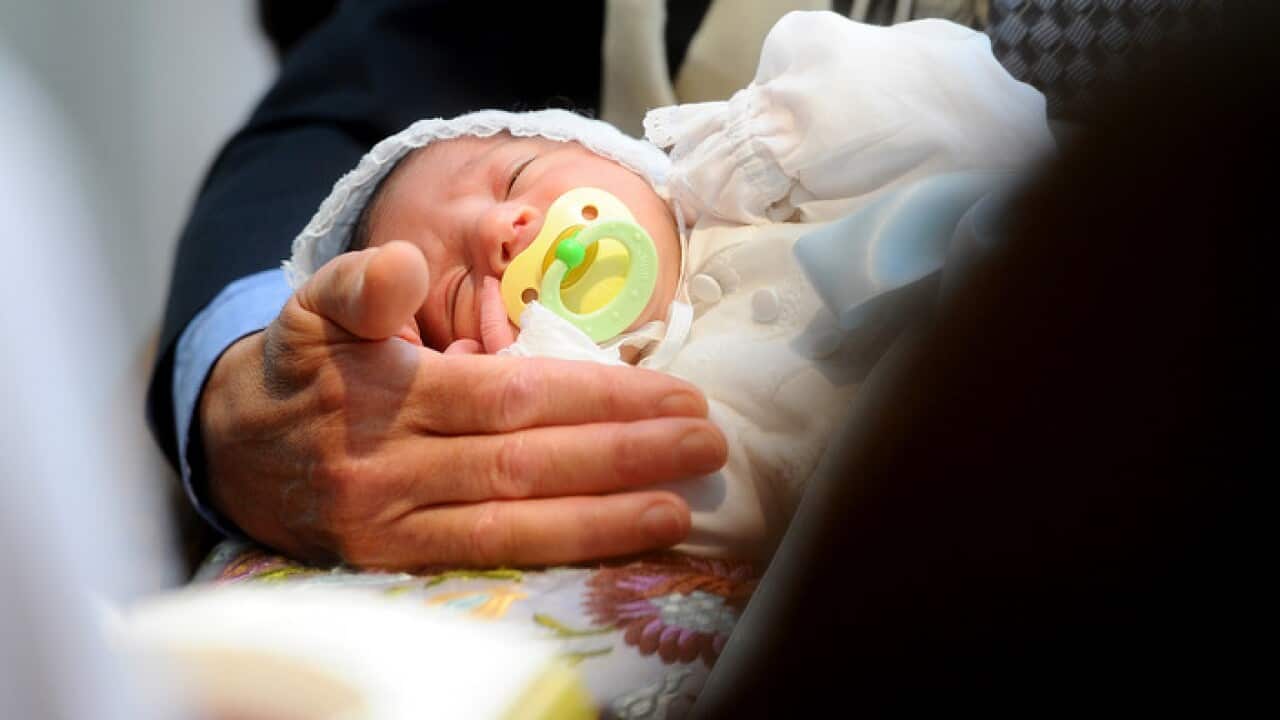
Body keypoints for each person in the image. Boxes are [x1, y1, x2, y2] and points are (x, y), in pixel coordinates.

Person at [271, 11, 1053, 561]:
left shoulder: (775, 170)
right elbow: (710, 512)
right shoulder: (664, 407)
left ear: (609, 152)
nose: (496, 234)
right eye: (460, 290)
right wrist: (547, 373)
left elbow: (983, 109)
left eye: (515, 175)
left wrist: (764, 146)